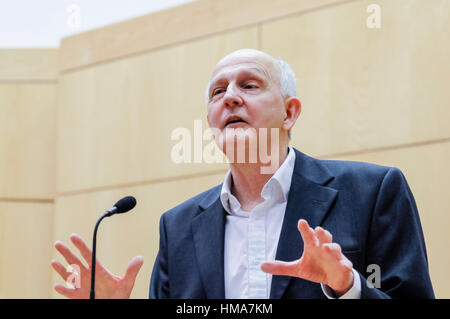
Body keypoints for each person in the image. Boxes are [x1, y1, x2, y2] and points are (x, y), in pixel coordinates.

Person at [52, 49, 434, 299]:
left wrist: (347, 287)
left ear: (290, 112)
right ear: (211, 122)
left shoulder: (371, 192)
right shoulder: (178, 225)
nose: (230, 96)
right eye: (218, 92)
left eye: (249, 85)